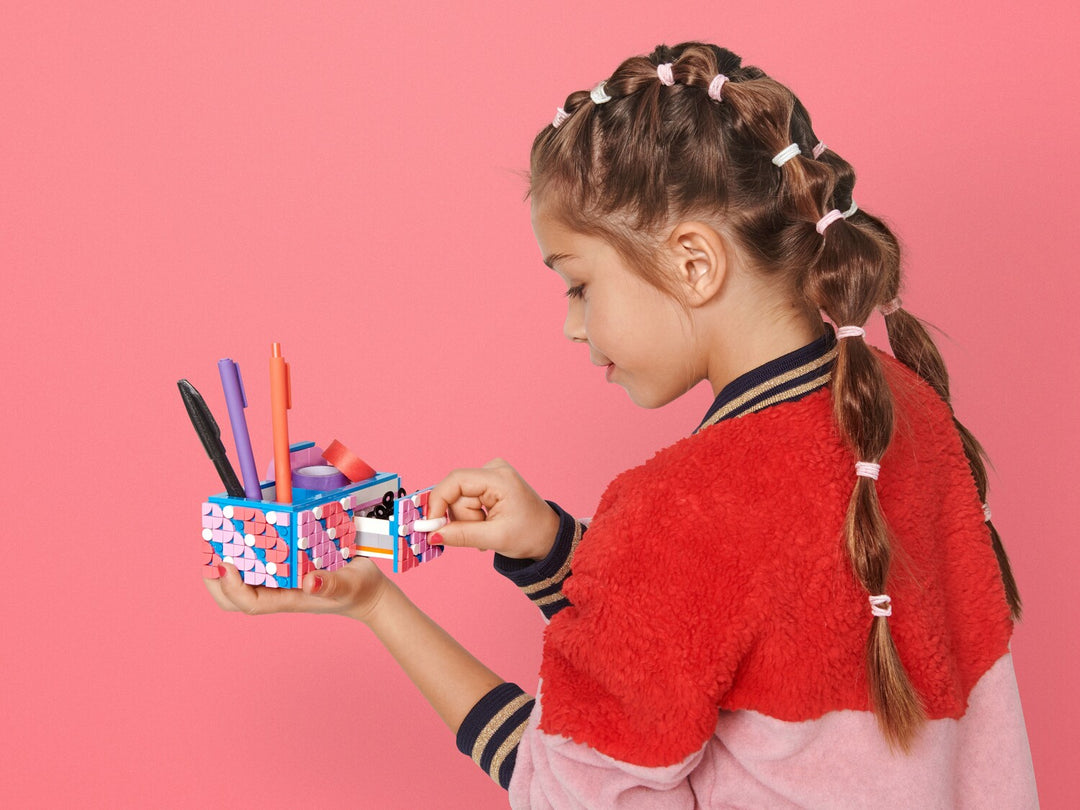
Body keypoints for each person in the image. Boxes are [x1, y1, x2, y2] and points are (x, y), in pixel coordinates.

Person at [205, 42, 1038, 808]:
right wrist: (554, 550)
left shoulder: (680, 507)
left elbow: (569, 788)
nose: (572, 326)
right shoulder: (902, 407)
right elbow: (712, 626)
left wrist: (379, 606)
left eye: (577, 284)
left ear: (693, 262)